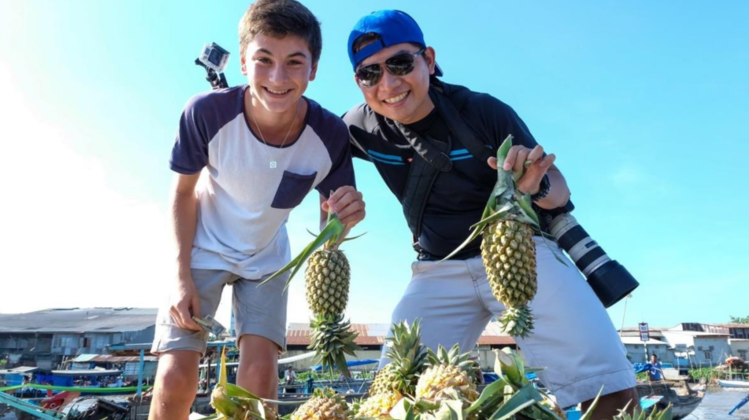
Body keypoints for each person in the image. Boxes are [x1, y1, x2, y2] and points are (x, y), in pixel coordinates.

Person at [342, 10, 638, 419]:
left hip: (521, 252)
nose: (388, 84)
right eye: (369, 74)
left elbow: (559, 188)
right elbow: (305, 137)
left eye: (400, 64)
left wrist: (537, 183)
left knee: (604, 382)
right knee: (395, 396)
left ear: (428, 60)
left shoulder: (482, 111)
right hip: (436, 269)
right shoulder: (358, 126)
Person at [148, 1, 366, 419]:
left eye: (294, 62)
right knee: (176, 373)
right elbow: (181, 195)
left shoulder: (330, 134)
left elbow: (330, 231)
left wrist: (344, 217)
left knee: (260, 379)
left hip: (268, 259)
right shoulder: (205, 113)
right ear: (244, 64)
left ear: (314, 69)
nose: (278, 78)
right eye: (263, 60)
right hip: (202, 248)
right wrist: (179, 276)